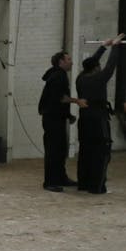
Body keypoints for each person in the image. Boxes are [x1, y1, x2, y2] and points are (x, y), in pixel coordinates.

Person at [75, 34, 124, 194]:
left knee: (85, 151)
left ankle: (83, 183)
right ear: (96, 68)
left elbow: (90, 63)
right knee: (102, 152)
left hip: (84, 120)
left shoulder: (80, 78)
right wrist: (115, 46)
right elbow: (111, 66)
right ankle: (97, 186)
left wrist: (103, 46)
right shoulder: (99, 78)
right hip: (98, 119)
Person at [38, 50, 83, 192]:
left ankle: (61, 177)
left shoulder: (58, 74)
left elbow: (58, 100)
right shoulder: (58, 76)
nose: (71, 62)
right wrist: (77, 101)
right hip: (52, 119)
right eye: (68, 59)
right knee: (53, 151)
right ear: (61, 62)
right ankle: (50, 182)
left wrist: (68, 115)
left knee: (60, 150)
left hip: (57, 117)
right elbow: (61, 98)